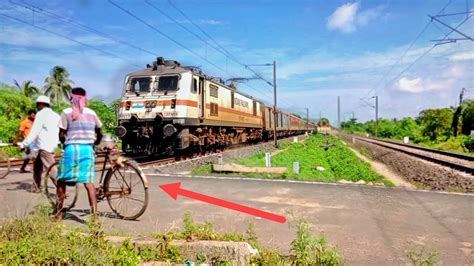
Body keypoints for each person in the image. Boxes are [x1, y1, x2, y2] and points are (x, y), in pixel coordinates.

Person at [55, 87, 103, 219]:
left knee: (61, 180)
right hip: (87, 150)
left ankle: (58, 214)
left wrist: (64, 143)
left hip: (71, 149)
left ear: (72, 98)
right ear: (85, 98)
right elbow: (100, 131)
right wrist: (96, 142)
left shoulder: (66, 112)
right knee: (89, 182)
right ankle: (94, 217)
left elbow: (62, 134)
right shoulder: (91, 113)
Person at [21, 96, 60, 192]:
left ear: (40, 104)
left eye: (37, 104)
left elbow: (34, 131)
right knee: (37, 167)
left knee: (51, 169)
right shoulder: (56, 115)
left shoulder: (41, 114)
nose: (37, 106)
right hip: (49, 145)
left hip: (44, 146)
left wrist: (24, 144)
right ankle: (36, 187)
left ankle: (62, 189)